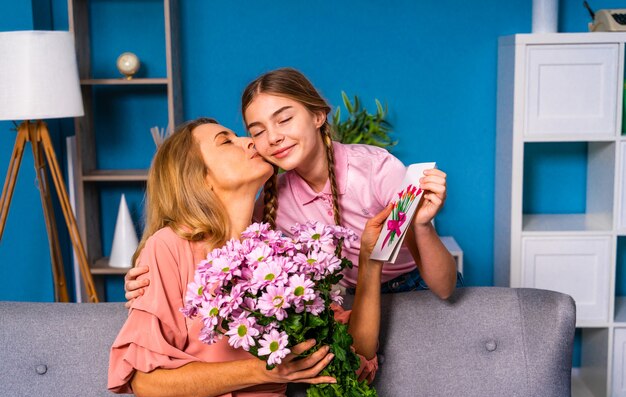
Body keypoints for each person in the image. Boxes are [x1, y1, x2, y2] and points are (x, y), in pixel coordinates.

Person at [108, 118, 388, 397]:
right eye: (226, 141)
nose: (250, 141)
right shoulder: (169, 247)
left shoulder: (282, 253)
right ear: (200, 178)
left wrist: (371, 261)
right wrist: (264, 370)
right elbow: (145, 383)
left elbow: (356, 354)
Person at [125, 68, 458, 299]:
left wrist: (424, 227)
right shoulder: (272, 204)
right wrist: (147, 279)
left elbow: (443, 287)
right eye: (257, 131)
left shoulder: (375, 170)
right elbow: (214, 250)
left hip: (417, 285)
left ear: (317, 116)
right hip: (355, 298)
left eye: (284, 119)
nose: (273, 137)